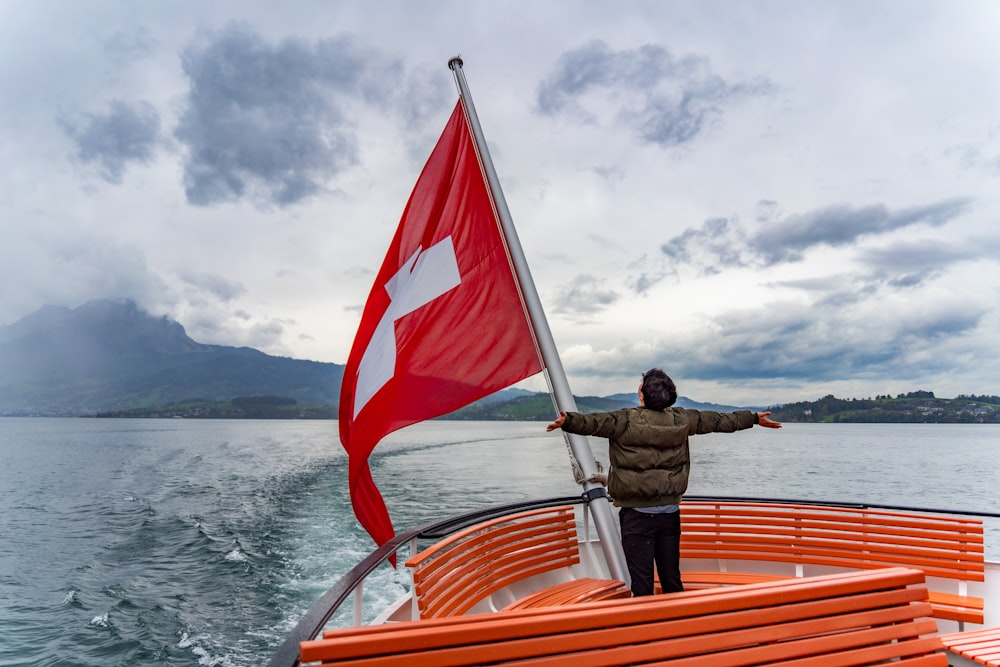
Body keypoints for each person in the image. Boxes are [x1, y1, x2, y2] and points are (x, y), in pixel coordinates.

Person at [546, 368, 782, 597]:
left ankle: (648, 634)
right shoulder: (682, 419)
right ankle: (679, 630)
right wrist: (752, 418)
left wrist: (568, 421)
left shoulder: (624, 420)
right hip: (669, 514)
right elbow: (719, 421)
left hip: (637, 516)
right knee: (671, 580)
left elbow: (593, 423)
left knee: (642, 585)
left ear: (642, 394)